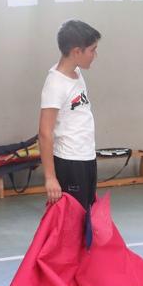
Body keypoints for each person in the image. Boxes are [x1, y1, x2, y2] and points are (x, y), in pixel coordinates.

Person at [40, 20, 100, 211]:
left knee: (86, 218)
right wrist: (50, 178)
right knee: (72, 222)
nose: (95, 55)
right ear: (76, 52)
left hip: (86, 156)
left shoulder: (77, 73)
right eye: (92, 50)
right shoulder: (55, 84)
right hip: (69, 162)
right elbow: (44, 133)